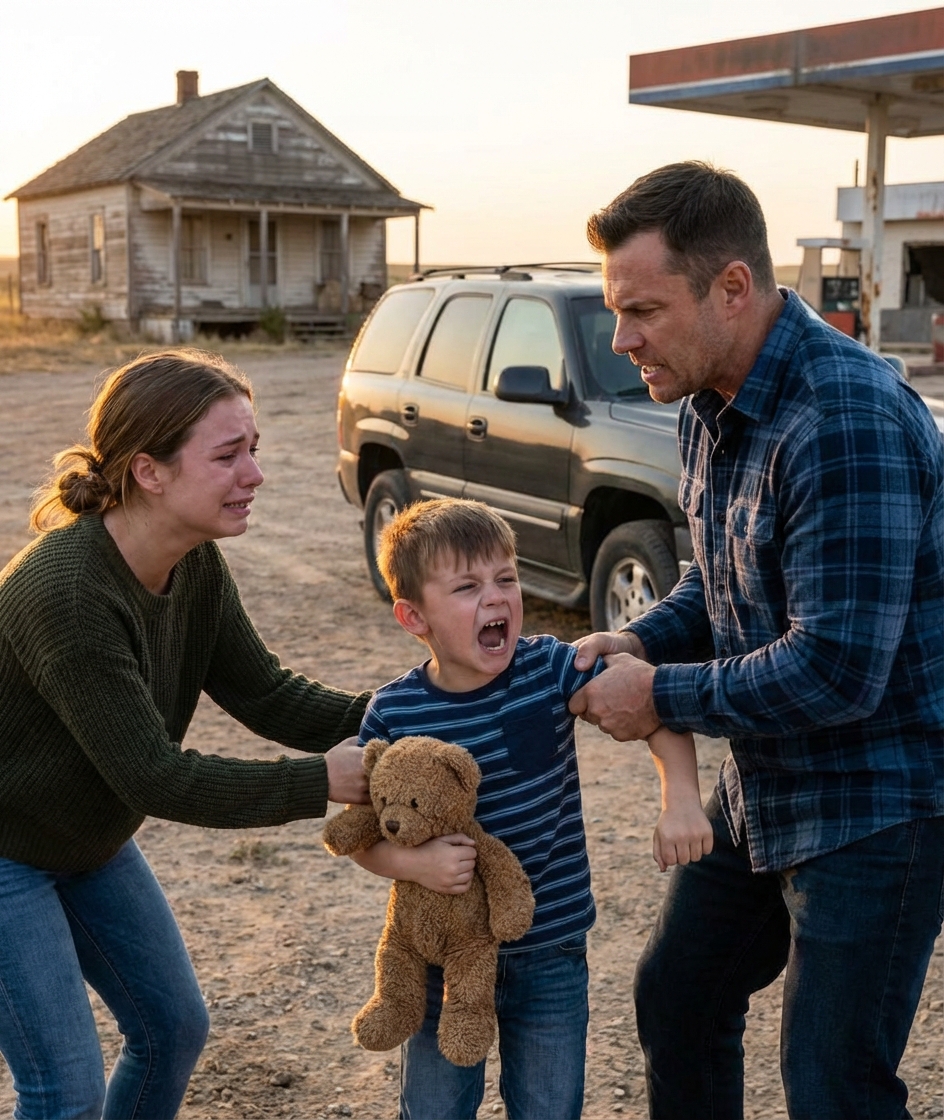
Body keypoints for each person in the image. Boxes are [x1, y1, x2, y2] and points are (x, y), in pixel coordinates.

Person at [569, 161, 944, 1119]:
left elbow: (836, 669)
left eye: (644, 309)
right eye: (619, 311)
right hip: (772, 780)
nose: (624, 340)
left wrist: (658, 695)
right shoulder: (707, 402)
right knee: (679, 1001)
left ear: (732, 288)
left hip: (881, 798)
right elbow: (719, 579)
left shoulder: (844, 419)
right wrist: (635, 642)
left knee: (833, 1086)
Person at [0, 350, 371, 1120]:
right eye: (229, 455)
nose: (256, 474)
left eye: (254, 450)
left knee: (173, 1030)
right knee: (63, 1091)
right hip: (6, 852)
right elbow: (156, 777)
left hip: (85, 838)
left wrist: (426, 705)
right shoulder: (66, 592)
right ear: (150, 472)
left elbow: (268, 694)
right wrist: (322, 782)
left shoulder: (192, 561)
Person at [345, 497, 706, 1120]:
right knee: (433, 1108)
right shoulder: (394, 714)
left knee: (548, 1107)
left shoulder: (550, 669)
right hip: (438, 962)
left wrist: (681, 801)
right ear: (413, 616)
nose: (495, 597)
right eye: (466, 586)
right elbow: (360, 834)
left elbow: (650, 703)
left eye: (506, 578)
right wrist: (413, 865)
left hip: (550, 949)